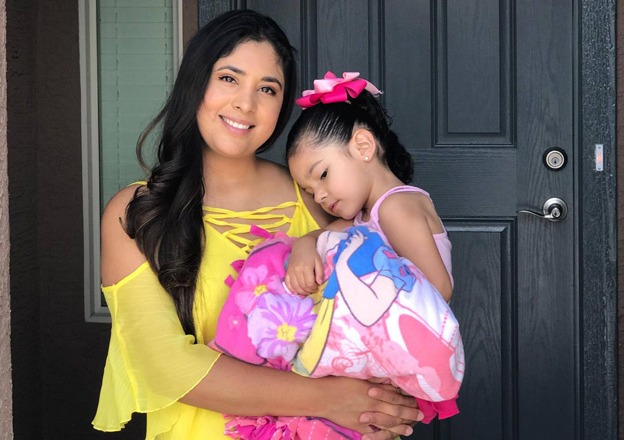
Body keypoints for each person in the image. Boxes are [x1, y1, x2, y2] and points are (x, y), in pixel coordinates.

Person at [92, 11, 421, 440]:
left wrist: (378, 411)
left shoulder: (320, 199)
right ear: (196, 83)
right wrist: (330, 401)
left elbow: (388, 317)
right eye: (229, 78)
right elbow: (164, 365)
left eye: (267, 89)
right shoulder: (138, 213)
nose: (246, 103)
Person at [284, 72, 454, 305]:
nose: (319, 196)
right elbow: (316, 237)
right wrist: (303, 246)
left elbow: (438, 290)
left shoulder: (394, 208)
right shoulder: (364, 217)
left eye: (323, 175)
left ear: (363, 147)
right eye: (310, 192)